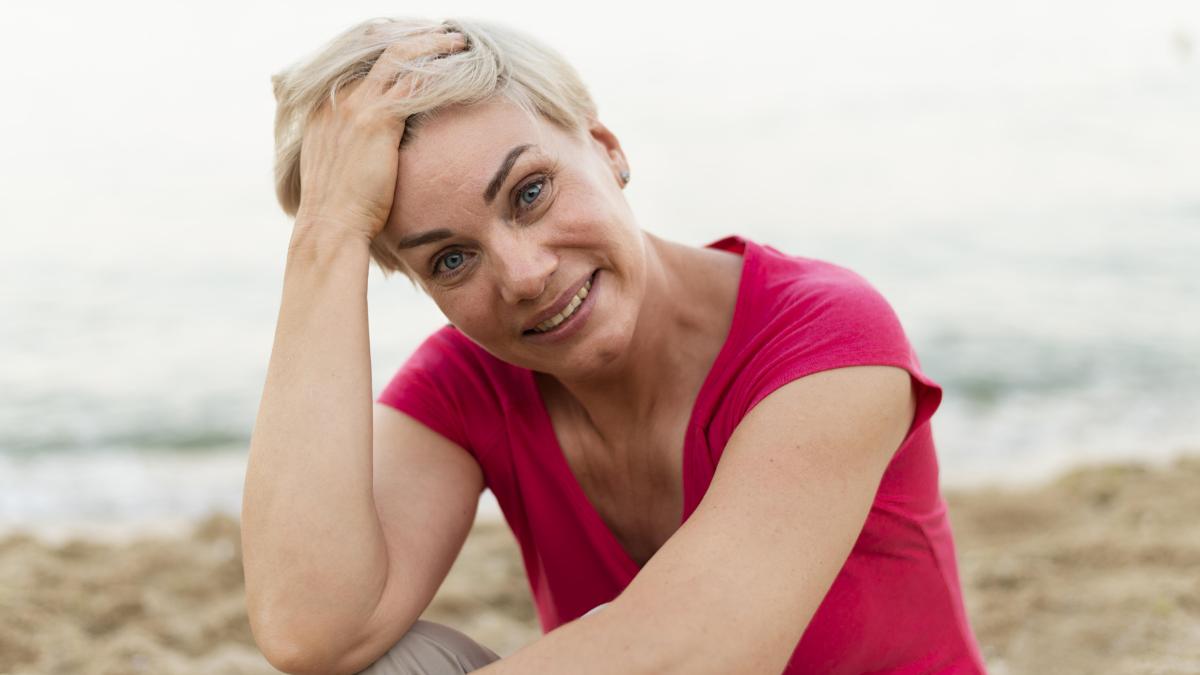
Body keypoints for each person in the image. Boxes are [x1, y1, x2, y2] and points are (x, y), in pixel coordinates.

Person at [241, 16, 987, 675]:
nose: (525, 275)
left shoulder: (824, 331)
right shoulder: (467, 386)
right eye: (450, 260)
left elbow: (705, 650)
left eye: (530, 192)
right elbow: (312, 626)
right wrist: (327, 236)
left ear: (606, 148)